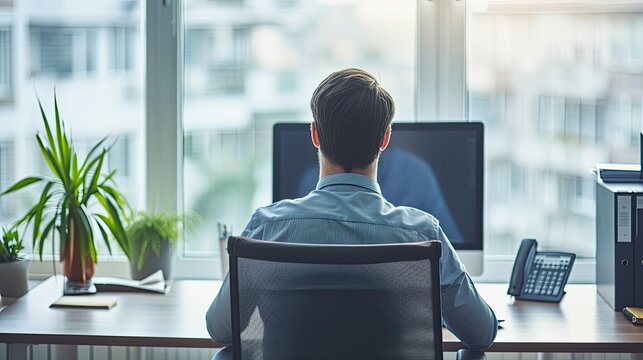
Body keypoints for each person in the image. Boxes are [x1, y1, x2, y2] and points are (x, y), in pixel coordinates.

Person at [205, 68, 498, 350]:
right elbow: (482, 333)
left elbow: (220, 330)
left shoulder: (267, 228)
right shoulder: (422, 234)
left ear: (314, 134)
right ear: (385, 138)